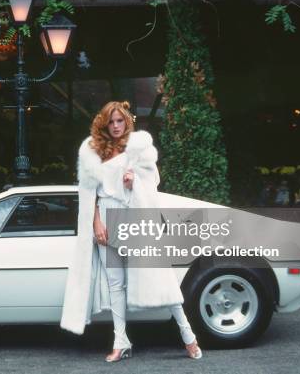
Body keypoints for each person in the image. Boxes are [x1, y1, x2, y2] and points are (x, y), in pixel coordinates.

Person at [60, 101, 202, 362]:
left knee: (160, 274)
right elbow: (88, 194)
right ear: (103, 123)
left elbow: (154, 183)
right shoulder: (92, 151)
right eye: (111, 121)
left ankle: (188, 336)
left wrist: (134, 180)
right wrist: (97, 224)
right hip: (106, 217)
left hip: (134, 216)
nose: (115, 126)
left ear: (127, 122)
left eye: (120, 121)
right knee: (116, 284)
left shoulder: (138, 149)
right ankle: (121, 342)